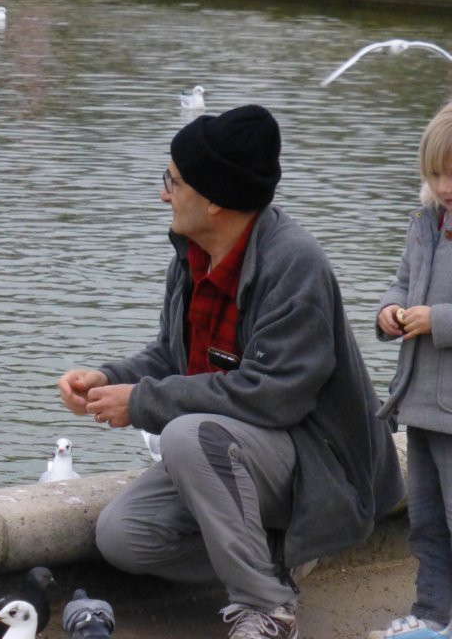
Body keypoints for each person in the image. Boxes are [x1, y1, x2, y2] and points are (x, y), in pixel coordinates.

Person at [57, 104, 404, 639]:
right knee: (123, 537)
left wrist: (143, 402)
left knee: (185, 436)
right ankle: (277, 561)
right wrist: (110, 377)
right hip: (235, 453)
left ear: (215, 199)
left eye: (173, 182)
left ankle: (269, 608)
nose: (163, 194)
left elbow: (275, 395)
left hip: (318, 464)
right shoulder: (192, 254)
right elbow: (174, 357)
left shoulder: (294, 262)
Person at [372, 102, 452, 639]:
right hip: (419, 400)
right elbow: (403, 281)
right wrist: (390, 310)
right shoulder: (425, 221)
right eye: (436, 173)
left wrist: (437, 320)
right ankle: (432, 613)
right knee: (424, 519)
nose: (443, 186)